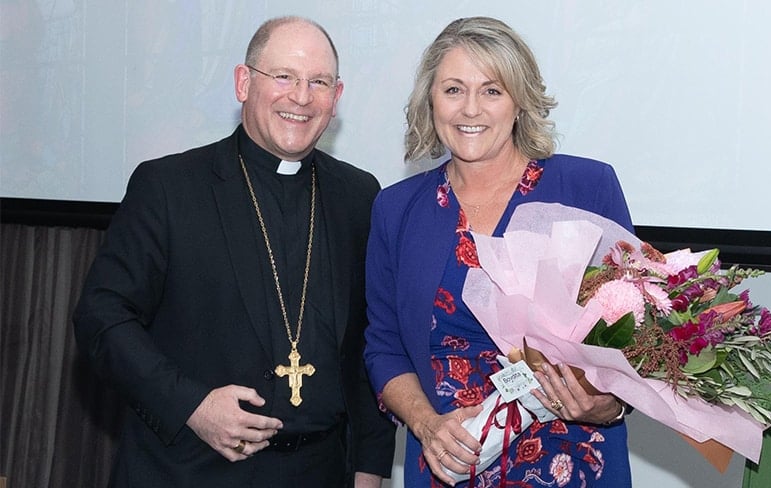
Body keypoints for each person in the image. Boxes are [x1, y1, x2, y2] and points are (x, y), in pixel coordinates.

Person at [73, 16, 395, 487]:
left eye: (318, 82)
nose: (301, 97)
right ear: (244, 83)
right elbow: (101, 317)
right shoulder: (169, 187)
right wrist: (192, 405)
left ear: (336, 97)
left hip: (320, 472)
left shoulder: (358, 195)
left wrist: (370, 469)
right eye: (283, 76)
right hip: (190, 470)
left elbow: (371, 341)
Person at [364, 16, 633, 486]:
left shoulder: (588, 186)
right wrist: (427, 424)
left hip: (574, 459)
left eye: (492, 90)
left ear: (520, 102)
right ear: (430, 101)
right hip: (450, 461)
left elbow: (636, 333)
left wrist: (609, 404)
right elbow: (384, 346)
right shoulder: (396, 209)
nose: (471, 109)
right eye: (453, 90)